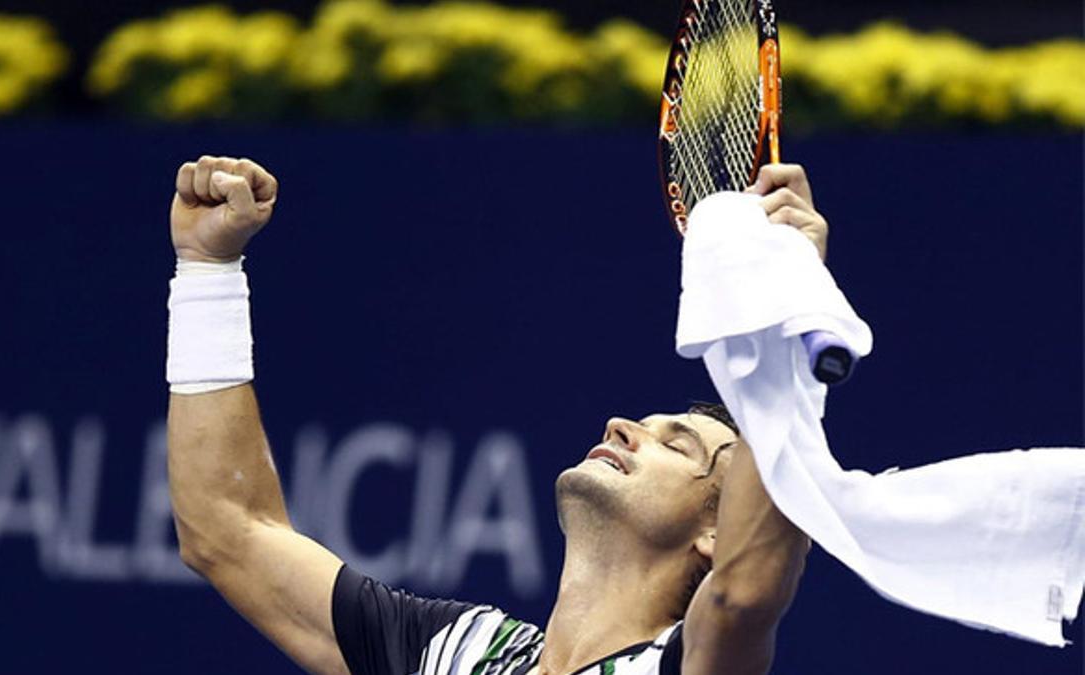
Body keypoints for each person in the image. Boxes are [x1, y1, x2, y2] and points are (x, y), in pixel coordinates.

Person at [165, 155, 829, 675]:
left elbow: (746, 589)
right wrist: (207, 268)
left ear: (716, 535)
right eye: (647, 424)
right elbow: (228, 530)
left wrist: (790, 318)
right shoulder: (455, 649)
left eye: (676, 445)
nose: (624, 427)